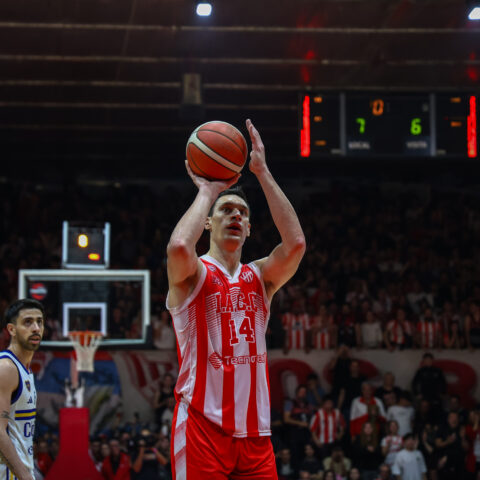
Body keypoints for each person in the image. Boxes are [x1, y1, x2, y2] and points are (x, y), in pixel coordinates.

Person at [166, 119, 306, 479]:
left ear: (248, 229)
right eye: (226, 210)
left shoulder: (260, 277)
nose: (236, 215)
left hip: (256, 434)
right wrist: (207, 191)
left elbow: (295, 244)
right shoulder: (194, 274)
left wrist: (262, 172)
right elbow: (179, 246)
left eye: (242, 213)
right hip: (202, 428)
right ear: (207, 223)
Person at [0, 298, 45, 480]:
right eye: (28, 322)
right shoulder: (6, 368)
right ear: (11, 329)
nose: (36, 328)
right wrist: (25, 476)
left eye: (39, 322)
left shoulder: (25, 369)